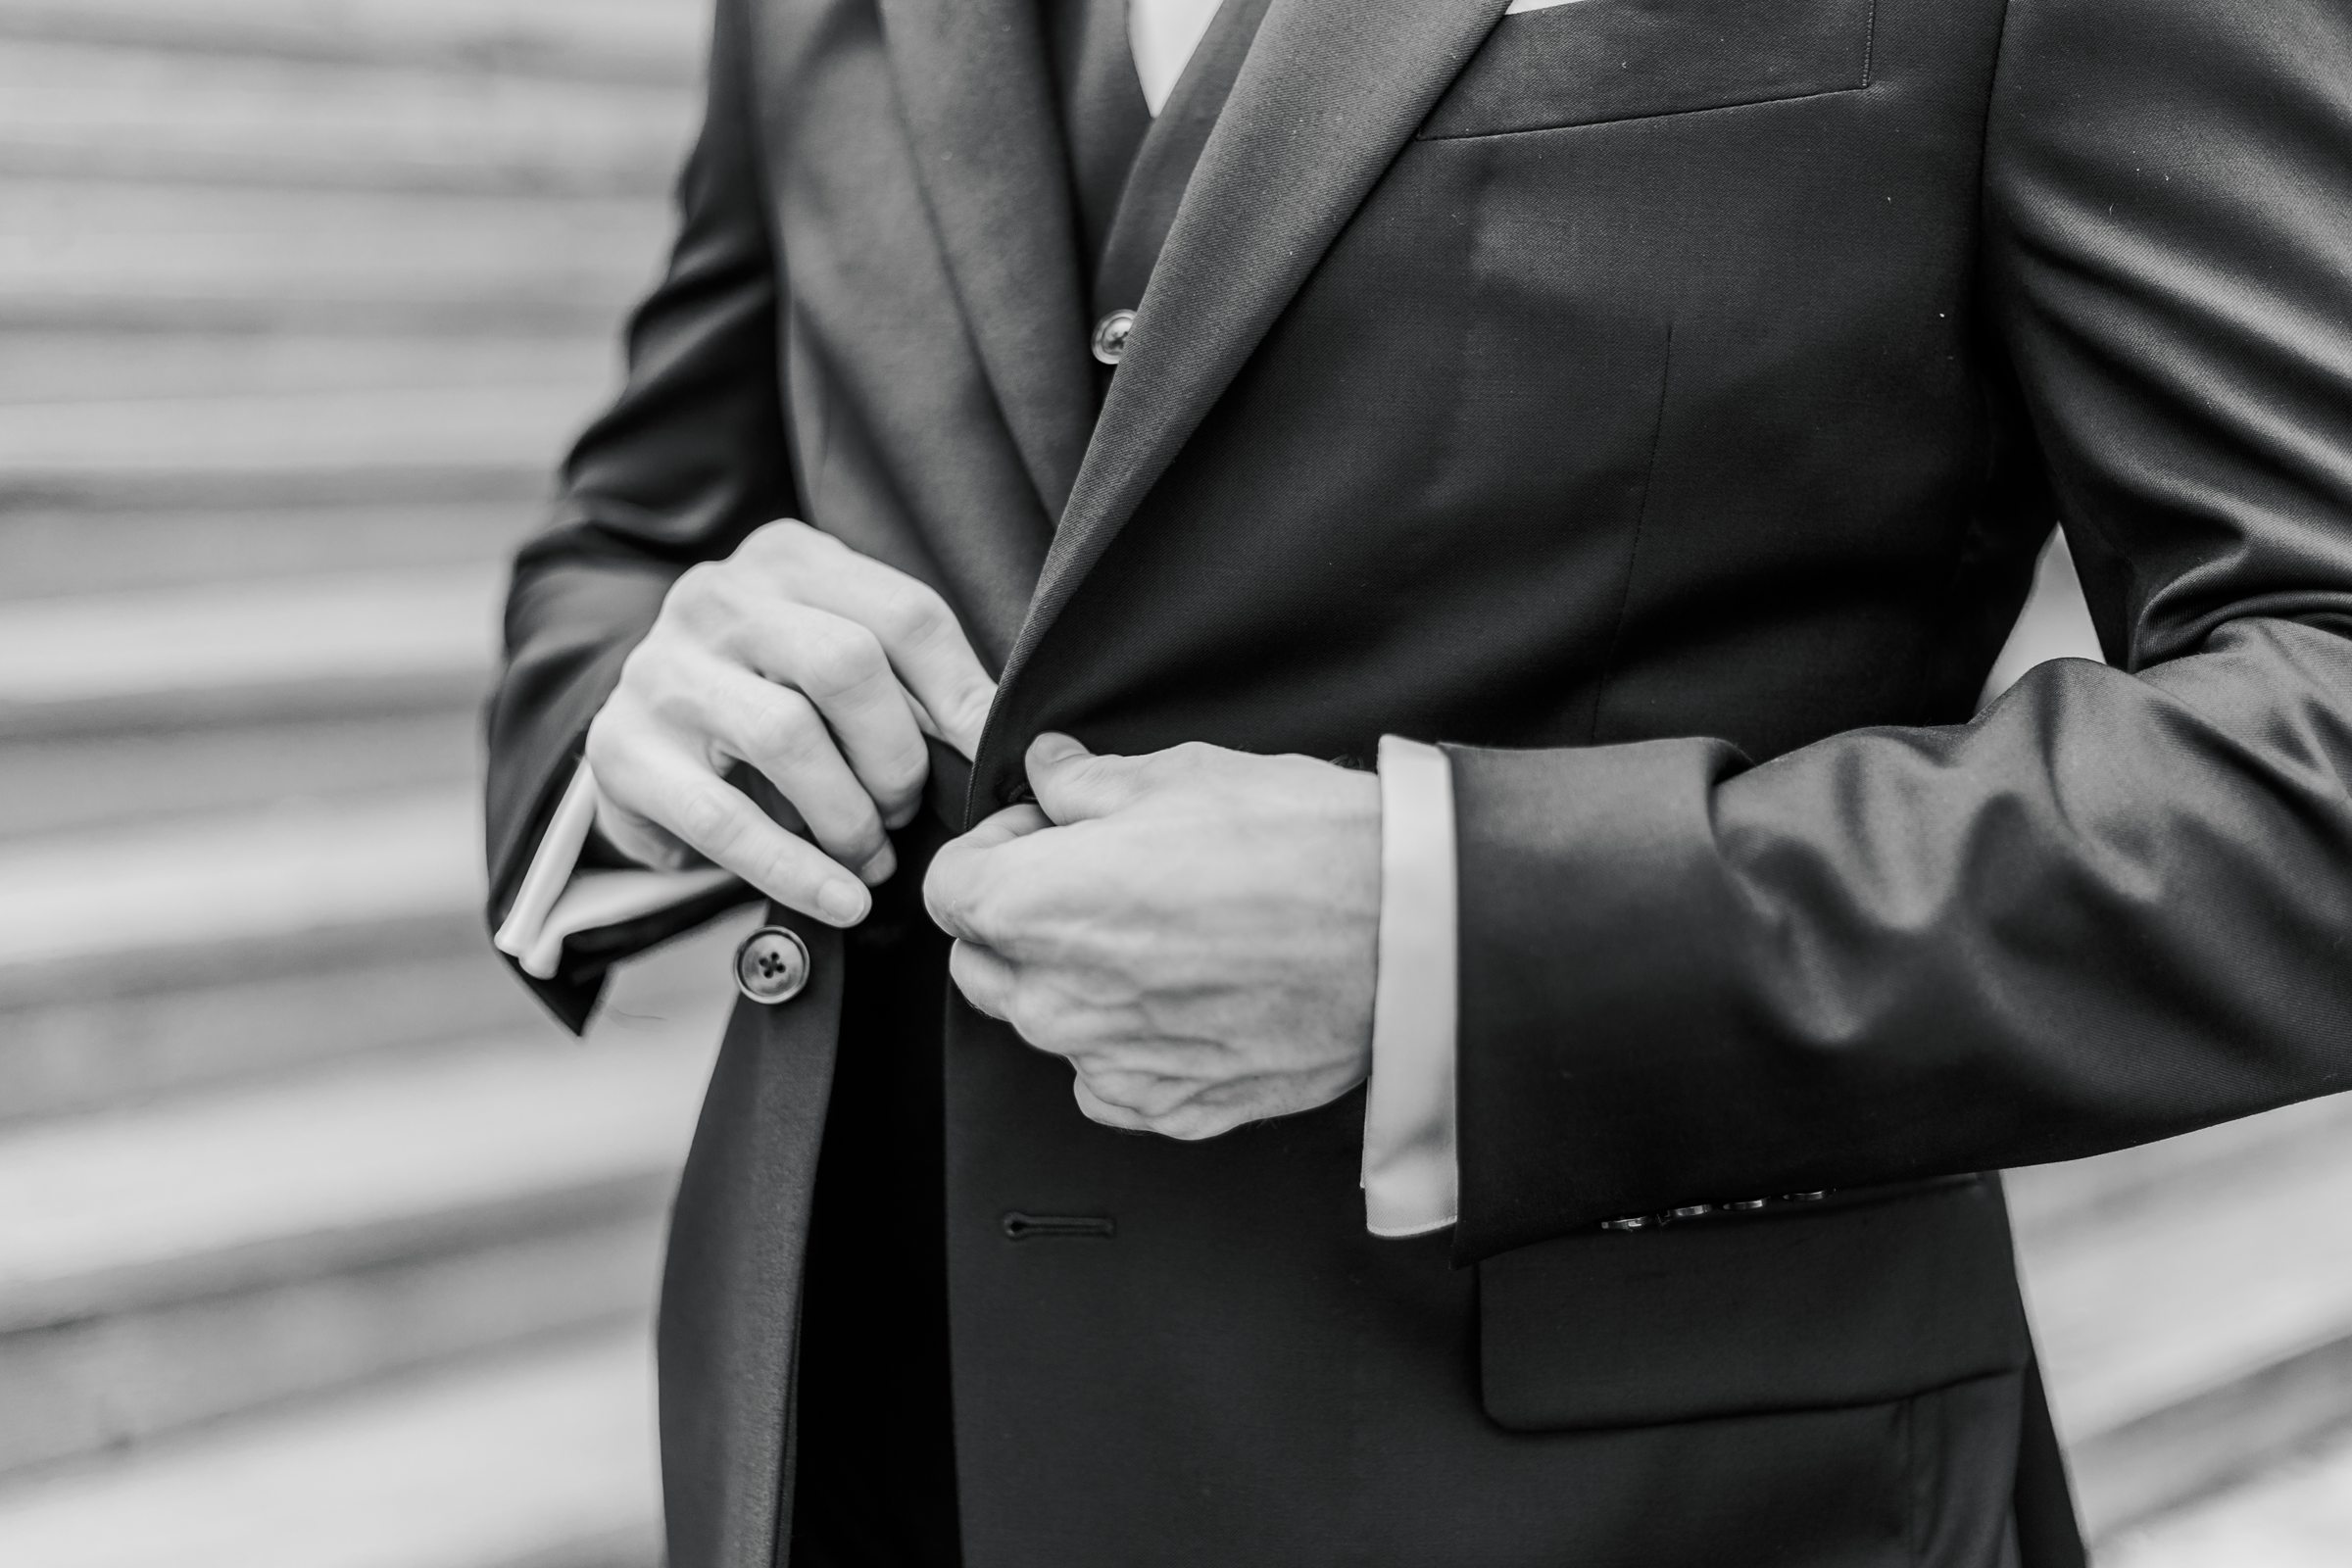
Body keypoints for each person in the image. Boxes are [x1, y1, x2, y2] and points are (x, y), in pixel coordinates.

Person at [480, 0, 2352, 1561]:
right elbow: (637, 532)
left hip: (1642, 1494)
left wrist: (1463, 930)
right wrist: (648, 723)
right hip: (849, 1440)